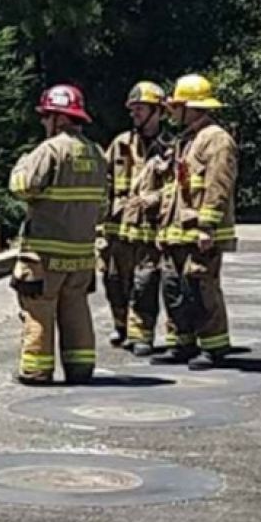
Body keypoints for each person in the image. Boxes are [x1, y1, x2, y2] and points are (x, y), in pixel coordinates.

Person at [9, 84, 109, 385]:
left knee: (39, 309)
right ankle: (80, 368)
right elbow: (102, 206)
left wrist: (22, 163)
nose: (42, 123)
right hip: (80, 256)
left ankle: (36, 370)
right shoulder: (96, 153)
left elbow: (23, 186)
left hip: (44, 254)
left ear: (56, 117)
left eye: (45, 117)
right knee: (75, 310)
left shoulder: (50, 149)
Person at [155, 74, 239, 370]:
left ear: (191, 107)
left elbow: (218, 186)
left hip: (200, 232)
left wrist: (207, 227)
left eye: (176, 106)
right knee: (175, 288)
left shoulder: (217, 140)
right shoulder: (188, 139)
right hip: (178, 232)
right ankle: (182, 343)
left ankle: (214, 347)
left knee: (202, 288)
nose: (172, 111)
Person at [102, 81, 170, 356]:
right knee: (114, 280)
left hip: (150, 231)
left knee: (145, 283)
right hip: (118, 230)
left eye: (140, 109)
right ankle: (122, 327)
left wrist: (156, 199)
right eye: (133, 110)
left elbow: (179, 187)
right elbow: (103, 182)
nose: (135, 115)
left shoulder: (171, 147)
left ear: (158, 112)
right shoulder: (121, 144)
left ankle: (143, 335)